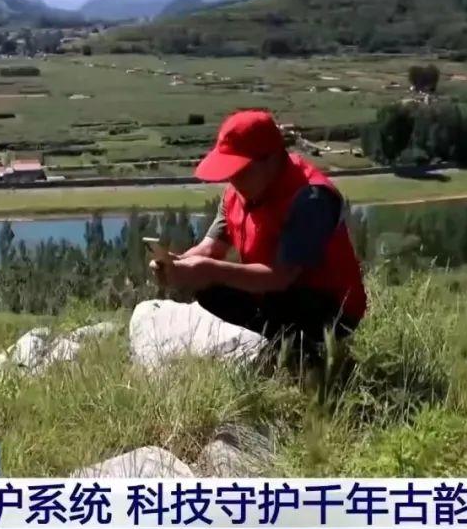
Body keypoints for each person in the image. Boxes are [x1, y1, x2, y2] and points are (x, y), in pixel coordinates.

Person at [151, 109, 367, 366]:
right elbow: (210, 248)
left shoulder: (310, 198)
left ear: (271, 159)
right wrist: (178, 265)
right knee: (208, 289)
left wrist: (207, 270)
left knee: (271, 298)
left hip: (332, 308)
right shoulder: (238, 192)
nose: (233, 179)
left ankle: (311, 361)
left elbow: (279, 278)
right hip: (276, 293)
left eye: (240, 170)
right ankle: (285, 347)